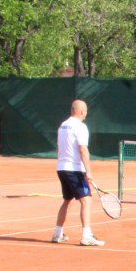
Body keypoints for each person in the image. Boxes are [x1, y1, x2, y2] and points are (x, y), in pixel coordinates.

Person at [52, 100, 105, 246]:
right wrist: (88, 172)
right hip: (74, 170)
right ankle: (86, 236)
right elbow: (83, 149)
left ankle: (57, 234)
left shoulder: (62, 126)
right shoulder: (81, 127)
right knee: (86, 201)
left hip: (62, 168)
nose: (86, 113)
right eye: (86, 111)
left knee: (68, 200)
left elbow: (60, 147)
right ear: (82, 111)